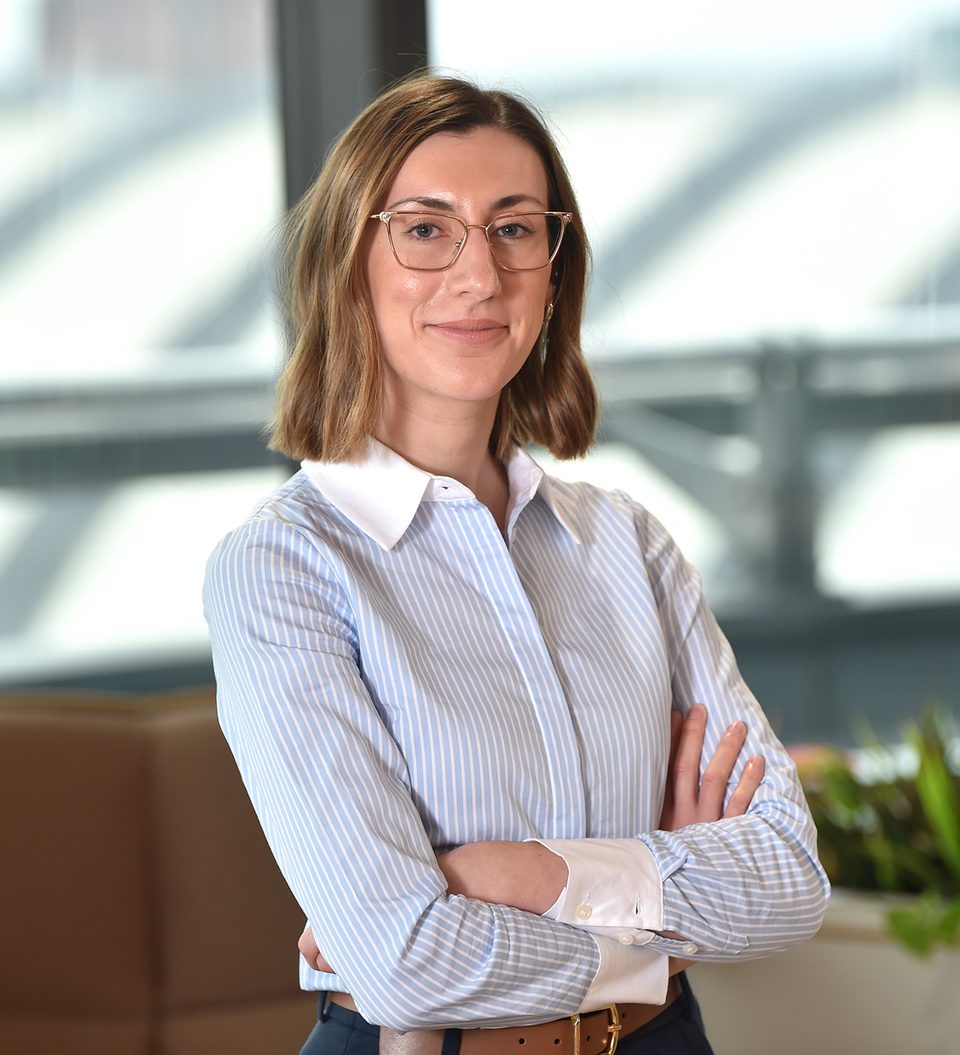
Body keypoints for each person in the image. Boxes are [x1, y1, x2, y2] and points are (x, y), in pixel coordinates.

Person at [203, 73, 829, 1055]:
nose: (480, 275)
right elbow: (403, 957)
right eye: (424, 228)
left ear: (553, 265)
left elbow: (789, 879)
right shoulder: (283, 569)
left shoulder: (629, 543)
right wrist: (655, 920)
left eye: (514, 228)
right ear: (347, 260)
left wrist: (526, 872)